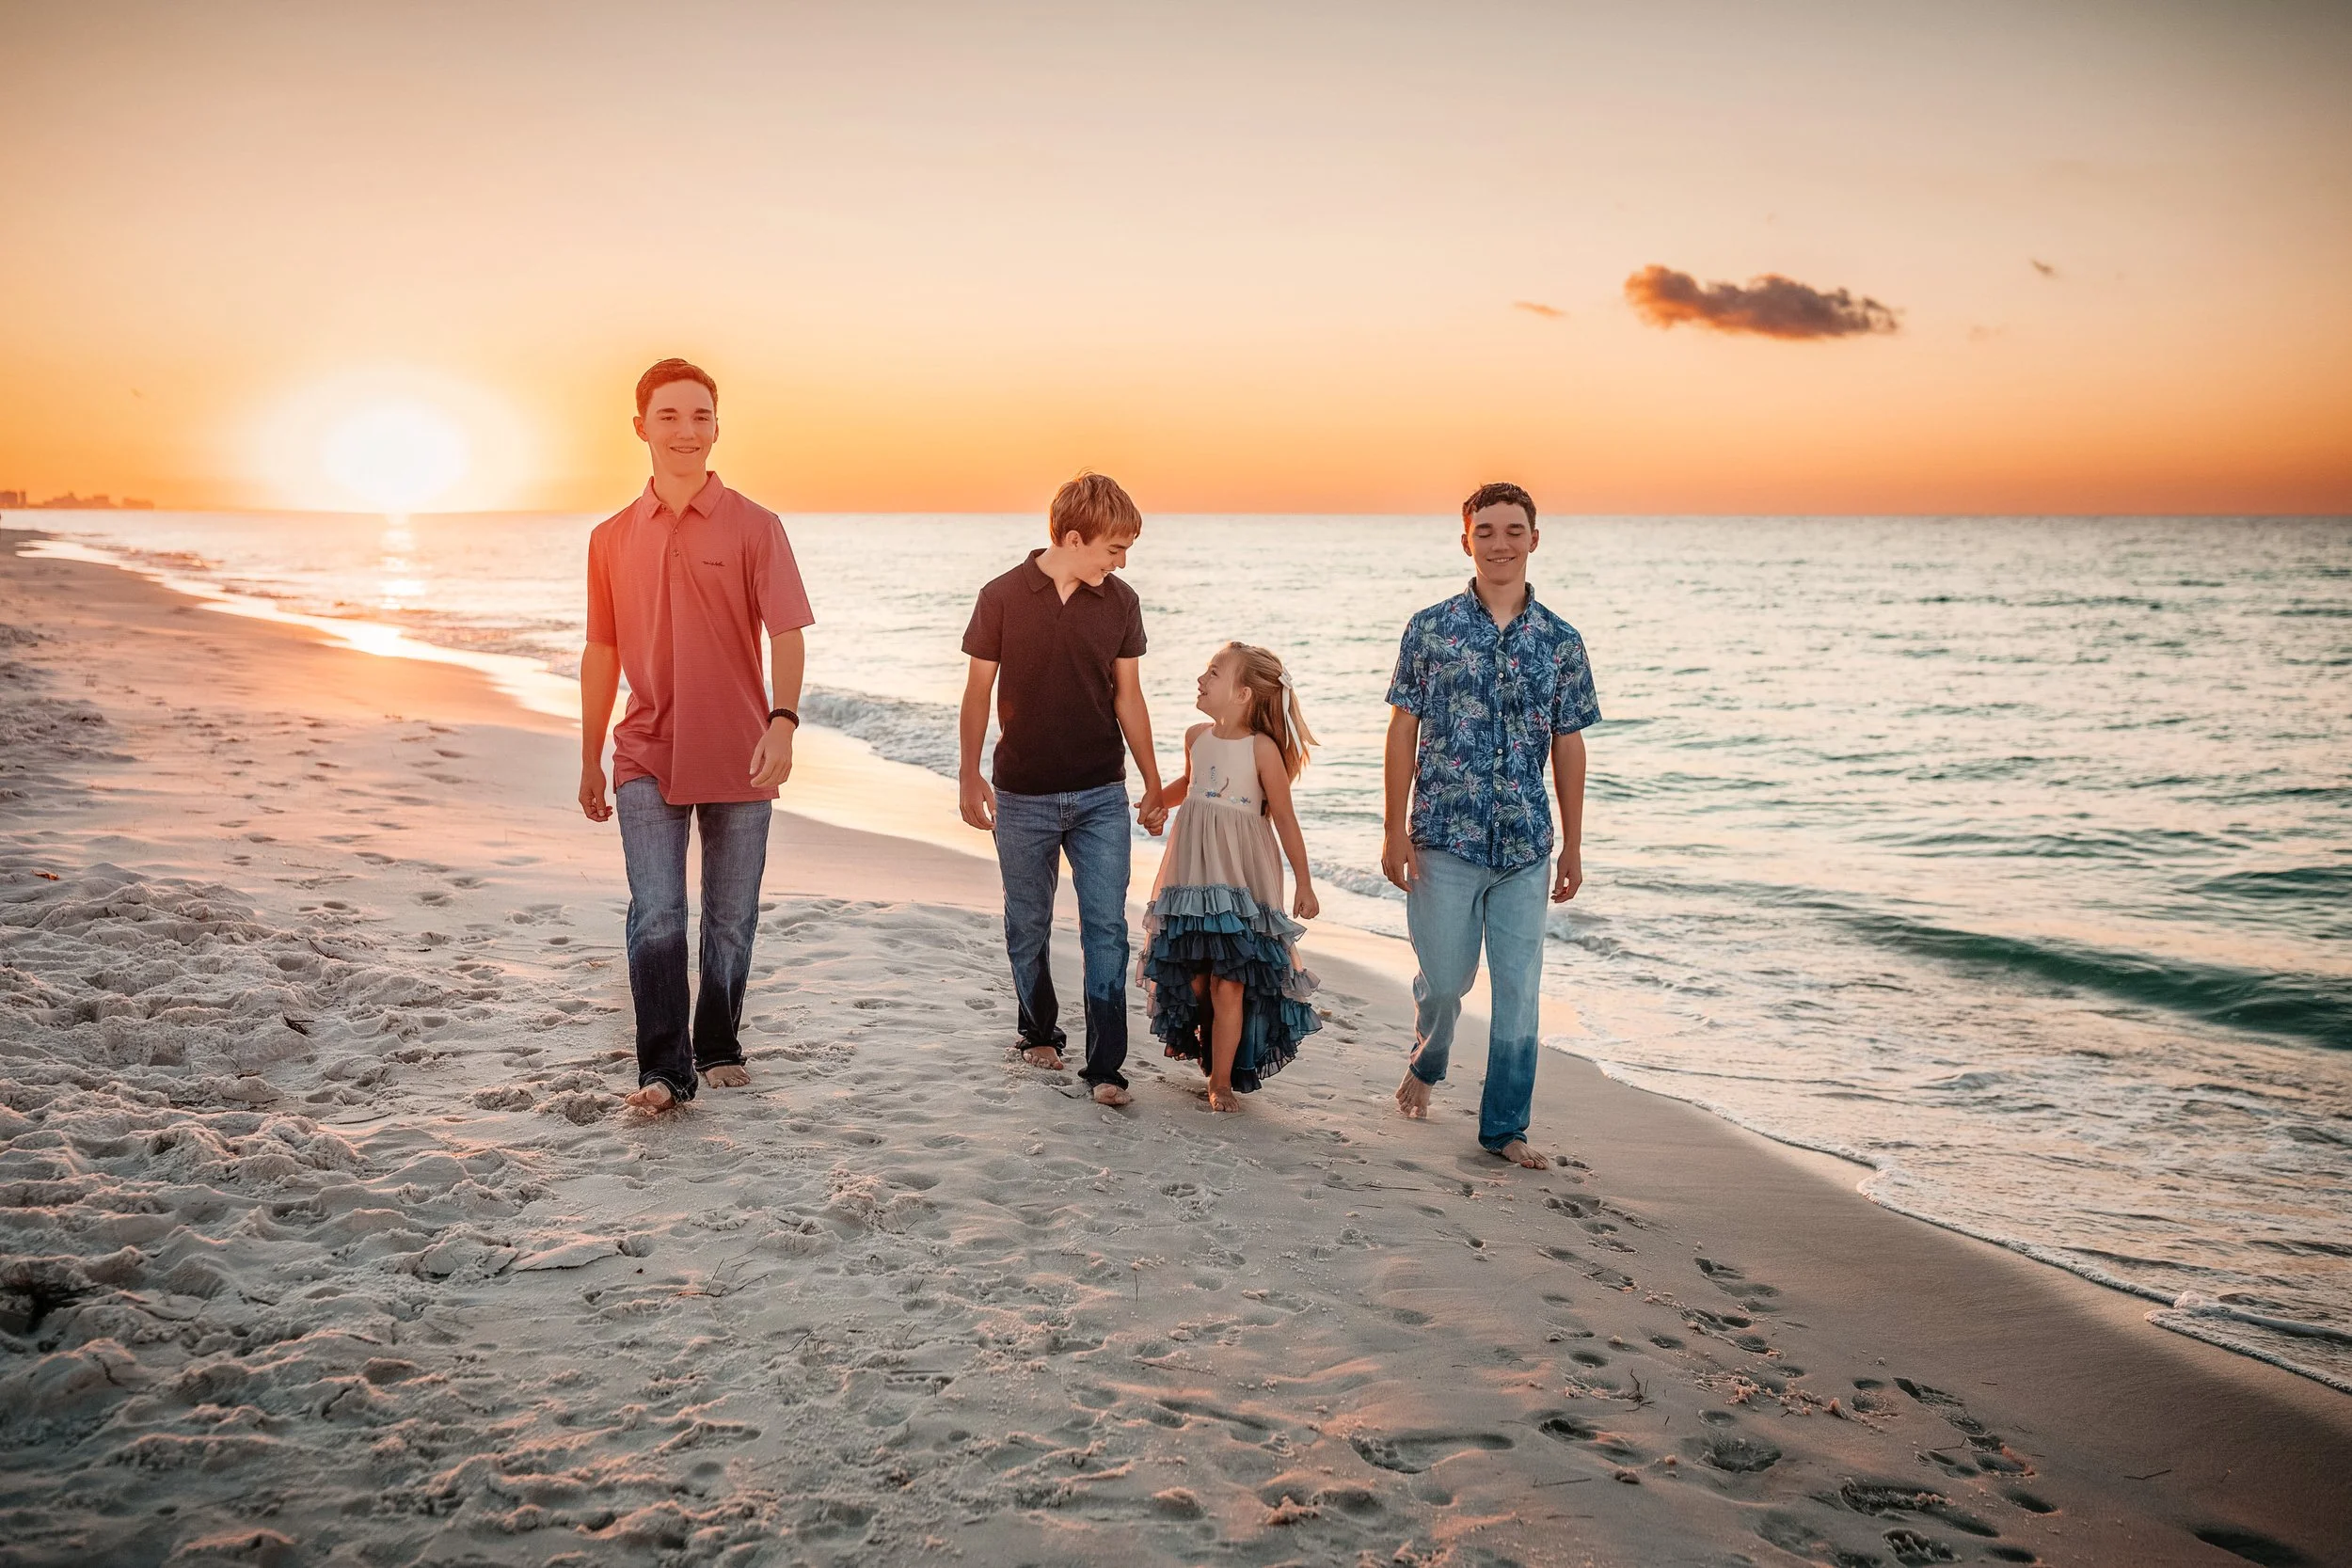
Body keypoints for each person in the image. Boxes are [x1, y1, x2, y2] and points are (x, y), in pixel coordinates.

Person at [579, 357, 815, 1113]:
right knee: (656, 910)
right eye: (671, 416)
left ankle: (716, 1043)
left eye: (701, 416)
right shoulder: (610, 537)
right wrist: (590, 754)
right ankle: (663, 1069)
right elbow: (602, 651)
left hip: (741, 751)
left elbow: (786, 631)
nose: (687, 431)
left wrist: (784, 720)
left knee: (730, 913)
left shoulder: (756, 526)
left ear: (718, 427)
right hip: (644, 746)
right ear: (641, 425)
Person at [1381, 482, 1598, 1168]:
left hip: (1526, 845)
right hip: (1442, 837)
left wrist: (1574, 843)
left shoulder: (1561, 643)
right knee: (1445, 982)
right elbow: (1401, 730)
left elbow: (1569, 742)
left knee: (1518, 991)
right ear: (1466, 538)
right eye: (1486, 531)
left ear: (1535, 538)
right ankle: (1429, 1056)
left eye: (1513, 530)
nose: (1500, 543)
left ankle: (1506, 1127)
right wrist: (1392, 828)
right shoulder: (1430, 628)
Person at [959, 473, 1167, 1107]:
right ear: (1074, 539)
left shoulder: (1120, 603)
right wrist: (969, 773)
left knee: (1106, 926)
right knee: (1028, 922)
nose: (1121, 562)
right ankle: (1038, 1031)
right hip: (1022, 794)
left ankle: (1106, 1067)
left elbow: (1128, 697)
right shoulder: (1000, 596)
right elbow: (977, 692)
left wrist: (1154, 781)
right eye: (1113, 548)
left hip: (1102, 793)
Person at [1138, 642, 1322, 1112]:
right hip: (1193, 876)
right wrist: (1158, 801)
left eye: (1214, 672)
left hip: (1242, 880)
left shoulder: (1262, 750)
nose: (1203, 678)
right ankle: (1210, 1047)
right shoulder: (1196, 735)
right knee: (1197, 980)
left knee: (1230, 979)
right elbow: (1192, 786)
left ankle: (1220, 1081)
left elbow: (1284, 818)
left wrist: (1304, 881)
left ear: (1242, 694)